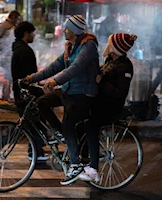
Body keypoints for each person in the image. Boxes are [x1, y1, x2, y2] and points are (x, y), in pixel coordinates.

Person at [24, 15, 99, 185]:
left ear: (74, 30)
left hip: (82, 93)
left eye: (67, 28)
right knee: (41, 102)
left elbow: (76, 68)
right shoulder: (70, 47)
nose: (64, 31)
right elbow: (55, 66)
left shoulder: (88, 46)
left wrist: (55, 81)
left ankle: (75, 164)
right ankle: (61, 133)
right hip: (69, 90)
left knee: (68, 125)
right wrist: (31, 78)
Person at [79, 33, 137, 182]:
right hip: (99, 103)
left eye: (110, 43)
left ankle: (93, 170)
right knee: (78, 120)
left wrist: (102, 81)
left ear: (115, 47)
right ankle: (82, 158)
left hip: (111, 107)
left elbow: (120, 93)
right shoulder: (110, 60)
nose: (107, 45)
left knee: (91, 126)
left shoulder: (125, 66)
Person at [11, 21, 49, 161]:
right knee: (29, 124)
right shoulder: (24, 51)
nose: (34, 36)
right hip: (26, 94)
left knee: (33, 123)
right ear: (26, 34)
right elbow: (29, 76)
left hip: (22, 92)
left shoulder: (19, 49)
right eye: (32, 33)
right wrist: (39, 90)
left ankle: (36, 152)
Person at [0, 10, 21, 82]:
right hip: (6, 54)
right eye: (17, 19)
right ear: (13, 17)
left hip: (5, 52)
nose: (17, 21)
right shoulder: (8, 27)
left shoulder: (6, 25)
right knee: (9, 75)